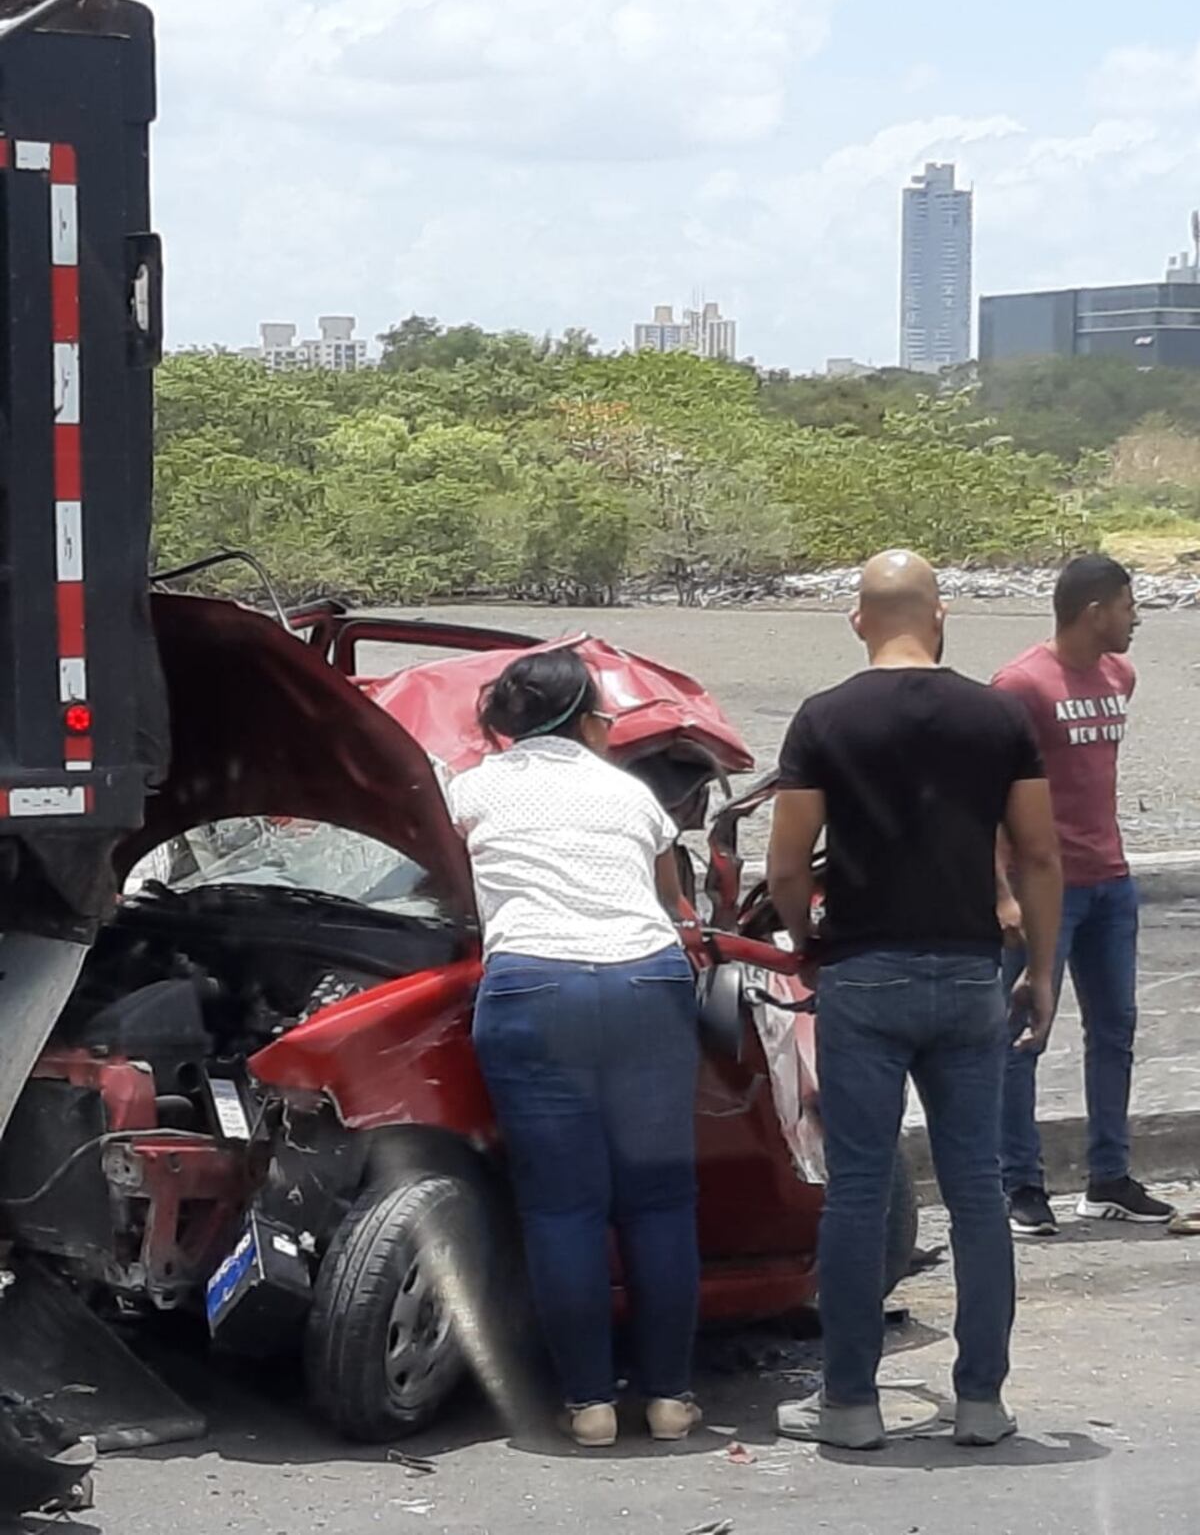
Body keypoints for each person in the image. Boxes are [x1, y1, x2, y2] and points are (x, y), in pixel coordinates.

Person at [768, 550, 1062, 1452]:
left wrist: (807, 941)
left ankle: (851, 1404)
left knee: (858, 1188)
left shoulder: (823, 719)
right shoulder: (1000, 716)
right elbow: (1041, 855)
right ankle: (981, 1401)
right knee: (976, 1191)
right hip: (971, 972)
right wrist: (1043, 970)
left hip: (863, 972)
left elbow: (786, 864)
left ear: (858, 620)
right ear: (942, 615)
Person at [446, 647, 702, 1449]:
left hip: (533, 989)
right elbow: (674, 904)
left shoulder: (469, 789)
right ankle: (668, 1400)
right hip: (646, 986)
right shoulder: (630, 793)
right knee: (658, 1204)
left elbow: (448, 890)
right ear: (590, 719)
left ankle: (589, 1406)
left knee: (563, 1207)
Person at [994, 555, 1174, 1236]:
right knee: (1022, 1034)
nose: (1136, 620)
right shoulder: (1020, 686)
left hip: (1110, 880)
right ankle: (1021, 1183)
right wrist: (1000, 893)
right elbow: (988, 796)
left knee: (1116, 1029)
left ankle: (1108, 1177)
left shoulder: (1118, 676)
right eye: (1129, 606)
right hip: (1042, 887)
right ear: (1094, 610)